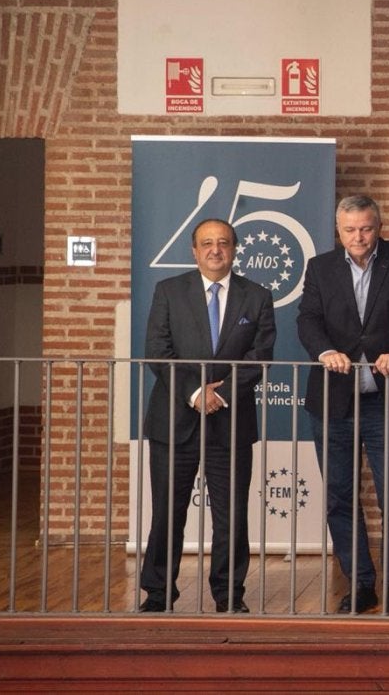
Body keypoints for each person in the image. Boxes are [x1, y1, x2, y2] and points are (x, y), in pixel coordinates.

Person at [140, 217, 276, 613]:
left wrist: (223, 395)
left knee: (231, 515)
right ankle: (159, 593)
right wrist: (197, 393)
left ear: (235, 249)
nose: (215, 250)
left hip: (231, 422)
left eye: (223, 243)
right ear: (194, 251)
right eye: (207, 243)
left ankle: (229, 595)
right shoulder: (169, 291)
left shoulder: (257, 296)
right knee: (168, 511)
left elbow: (261, 355)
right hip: (174, 422)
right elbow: (157, 350)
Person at [297, 195, 389, 615]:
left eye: (365, 228)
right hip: (333, 400)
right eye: (349, 230)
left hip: (388, 400)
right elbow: (306, 318)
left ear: (378, 225)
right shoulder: (321, 267)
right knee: (340, 498)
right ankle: (361, 584)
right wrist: (325, 350)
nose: (358, 237)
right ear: (338, 230)